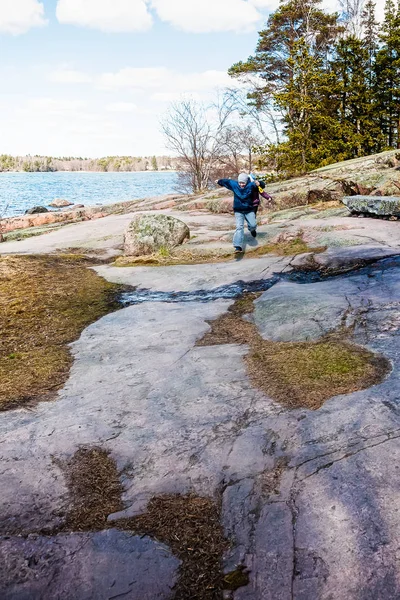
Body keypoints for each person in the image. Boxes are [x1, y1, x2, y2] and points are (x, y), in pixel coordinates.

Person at [215, 173, 263, 253]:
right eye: (240, 182)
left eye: (243, 183)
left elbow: (261, 185)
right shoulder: (235, 185)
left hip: (249, 209)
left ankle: (252, 230)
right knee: (239, 227)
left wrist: (260, 183)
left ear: (246, 182)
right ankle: (237, 246)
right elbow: (226, 181)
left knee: (253, 225)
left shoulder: (251, 185)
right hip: (238, 210)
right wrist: (219, 181)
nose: (241, 184)